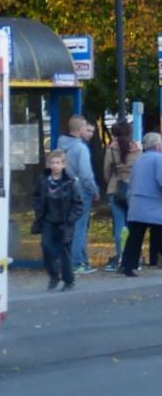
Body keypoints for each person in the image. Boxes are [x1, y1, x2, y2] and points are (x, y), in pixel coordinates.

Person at [32, 149, 84, 291]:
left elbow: (78, 204)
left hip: (64, 222)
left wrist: (70, 219)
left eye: (58, 163)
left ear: (63, 165)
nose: (55, 166)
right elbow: (36, 196)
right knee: (46, 247)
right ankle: (53, 275)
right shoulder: (43, 180)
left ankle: (69, 281)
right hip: (48, 220)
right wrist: (38, 210)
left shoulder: (70, 182)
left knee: (64, 251)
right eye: (53, 163)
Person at [57, 115, 99, 274]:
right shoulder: (81, 148)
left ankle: (79, 260)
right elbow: (86, 175)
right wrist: (94, 190)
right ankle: (77, 262)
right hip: (81, 191)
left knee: (70, 226)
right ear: (80, 129)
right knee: (80, 228)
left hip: (65, 190)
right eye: (85, 127)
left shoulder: (61, 145)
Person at [119, 132, 162, 277]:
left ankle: (127, 265)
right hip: (153, 204)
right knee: (159, 235)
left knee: (135, 238)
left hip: (137, 204)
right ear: (157, 145)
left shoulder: (139, 159)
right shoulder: (158, 159)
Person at [101, 120, 141, 271]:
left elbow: (106, 171)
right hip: (133, 189)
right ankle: (133, 259)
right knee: (132, 226)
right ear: (130, 132)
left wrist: (111, 182)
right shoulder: (137, 149)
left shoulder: (111, 149)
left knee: (119, 225)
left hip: (115, 188)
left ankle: (121, 257)